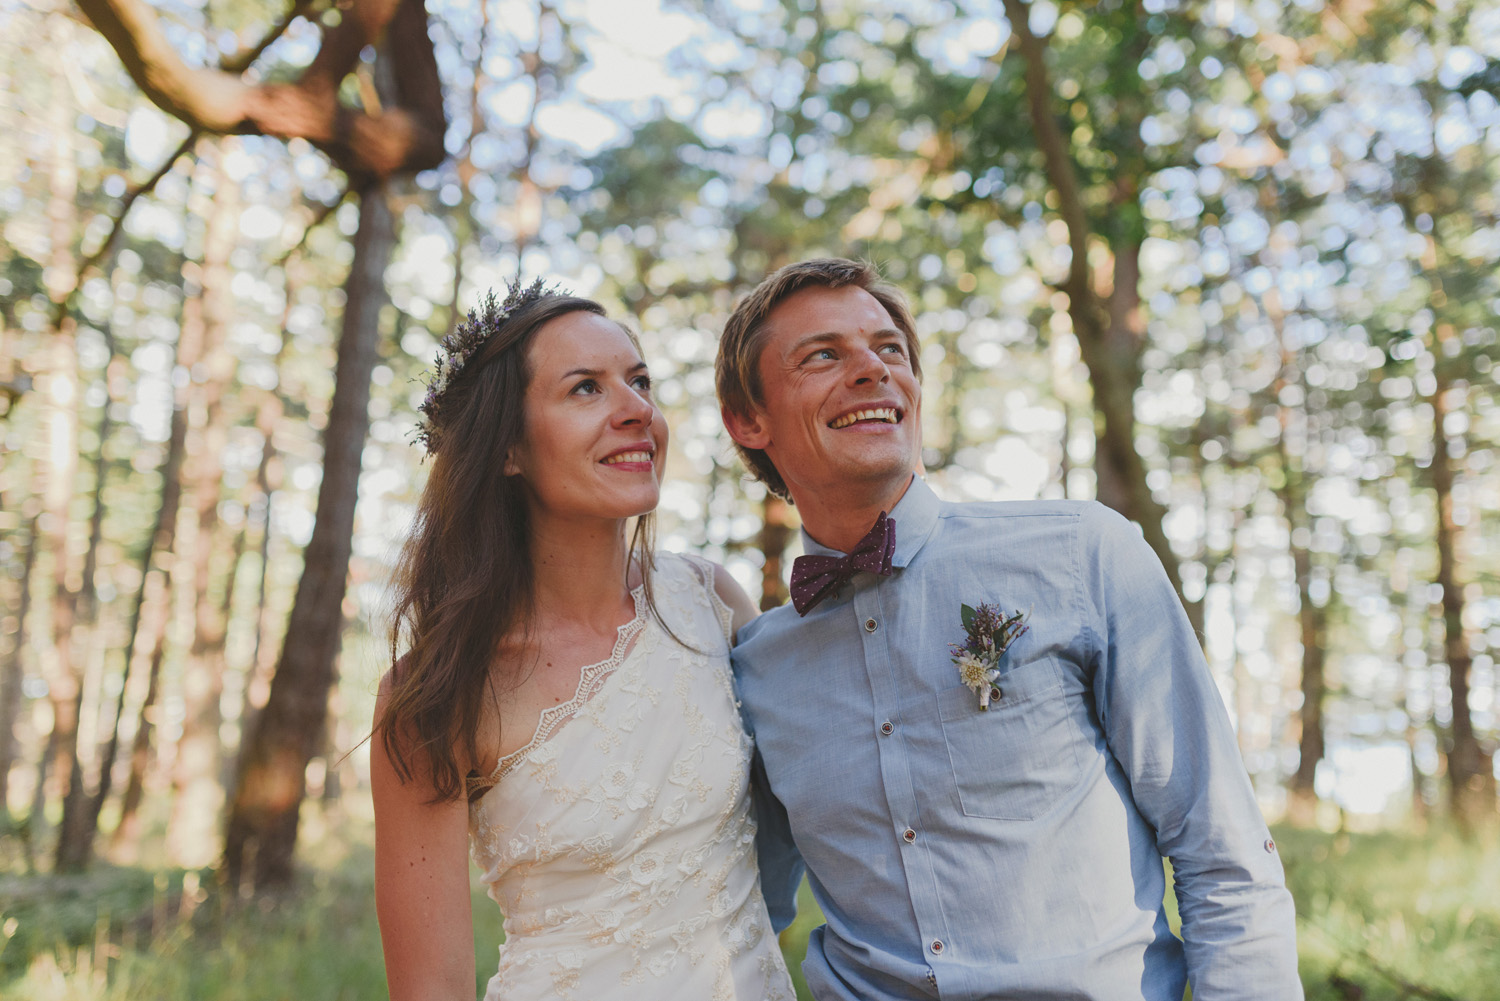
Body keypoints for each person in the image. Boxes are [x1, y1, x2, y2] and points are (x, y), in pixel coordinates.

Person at [716, 258, 1302, 1000]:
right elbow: (743, 915)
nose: (873, 369)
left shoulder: (1083, 553)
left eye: (890, 348)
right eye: (823, 354)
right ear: (748, 419)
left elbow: (1224, 852)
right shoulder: (756, 666)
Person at [372, 280, 794, 1001]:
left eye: (640, 382)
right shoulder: (438, 692)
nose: (638, 412)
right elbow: (431, 987)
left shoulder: (709, 601)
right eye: (585, 390)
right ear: (507, 446)